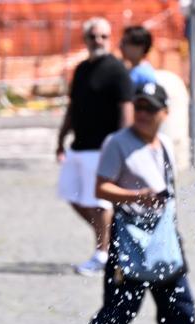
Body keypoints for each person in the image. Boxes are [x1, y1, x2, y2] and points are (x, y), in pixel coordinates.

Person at [59, 82, 195, 324]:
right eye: (139, 107)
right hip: (129, 239)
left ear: (164, 113)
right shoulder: (118, 143)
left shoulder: (164, 143)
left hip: (162, 239)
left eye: (150, 109)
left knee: (180, 306)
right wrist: (137, 196)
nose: (142, 114)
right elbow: (100, 188)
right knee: (120, 309)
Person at [56, 17, 134, 276]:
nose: (98, 41)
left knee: (101, 202)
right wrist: (60, 139)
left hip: (103, 148)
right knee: (72, 195)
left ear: (110, 39)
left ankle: (102, 253)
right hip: (79, 146)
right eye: (93, 36)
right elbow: (72, 107)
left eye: (103, 36)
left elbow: (126, 109)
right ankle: (110, 238)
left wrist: (122, 147)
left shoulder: (117, 70)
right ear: (85, 39)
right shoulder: (81, 69)